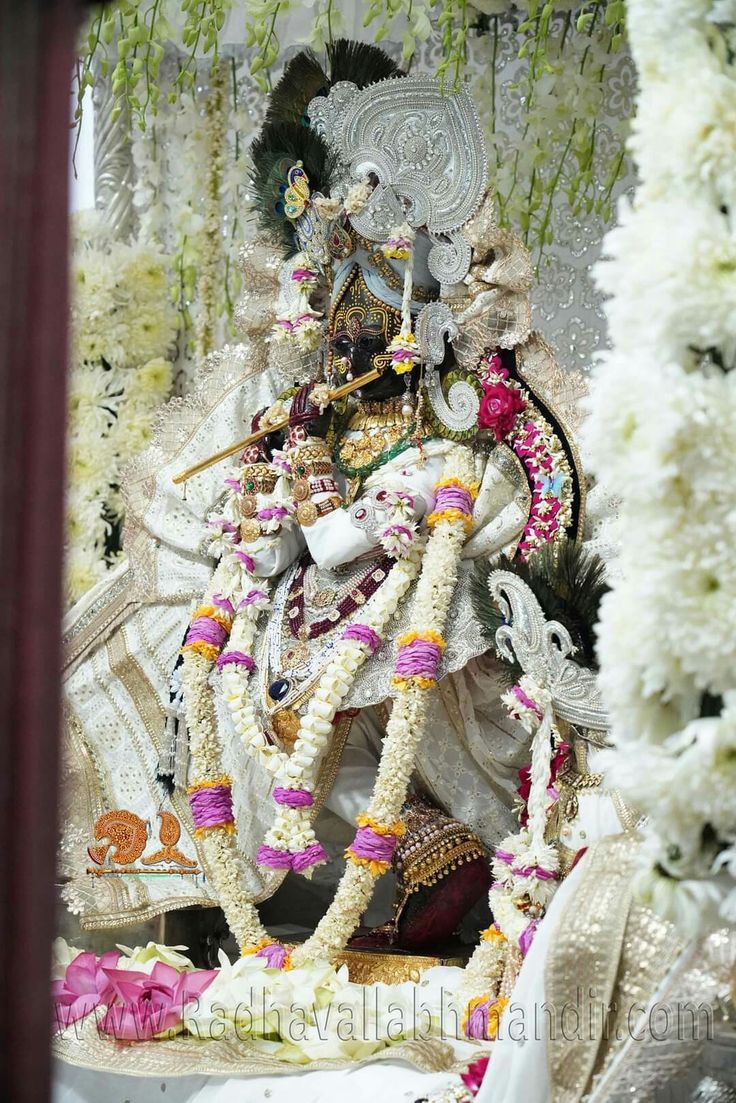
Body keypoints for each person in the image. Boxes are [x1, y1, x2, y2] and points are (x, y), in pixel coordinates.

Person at [60, 41, 589, 963]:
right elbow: (297, 376)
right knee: (241, 667)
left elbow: (471, 378)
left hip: (429, 484)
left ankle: (449, 849)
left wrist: (405, 450)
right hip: (331, 490)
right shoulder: (316, 269)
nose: (351, 209)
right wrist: (289, 464)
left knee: (424, 661)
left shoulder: (441, 249)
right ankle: (329, 868)